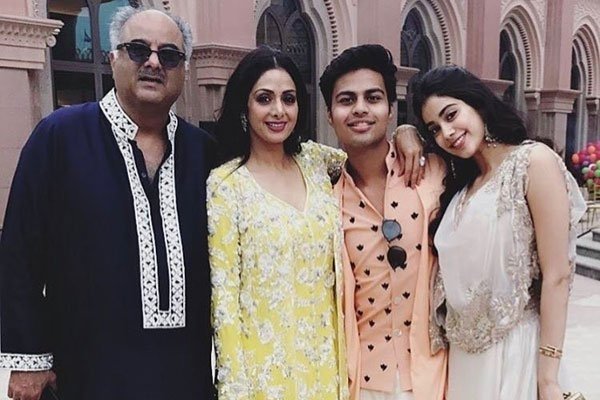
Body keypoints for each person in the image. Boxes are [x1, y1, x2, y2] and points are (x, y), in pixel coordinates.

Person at [0, 6, 215, 400]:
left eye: (169, 55)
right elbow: (19, 253)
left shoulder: (203, 153)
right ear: (113, 58)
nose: (154, 63)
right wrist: (28, 358)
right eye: (139, 50)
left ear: (183, 70)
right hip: (87, 374)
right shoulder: (60, 137)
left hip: (185, 376)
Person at [411, 65, 586, 400]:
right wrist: (406, 132)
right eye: (435, 129)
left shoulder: (533, 162)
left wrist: (548, 378)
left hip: (516, 353)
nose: (447, 132)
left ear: (476, 102)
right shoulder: (462, 188)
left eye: (451, 115)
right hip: (464, 365)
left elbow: (557, 275)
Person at [319, 44, 447, 400]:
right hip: (362, 382)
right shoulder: (325, 199)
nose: (360, 108)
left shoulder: (434, 172)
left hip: (435, 375)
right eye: (346, 100)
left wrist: (412, 131)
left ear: (391, 110)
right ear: (329, 115)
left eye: (373, 98)